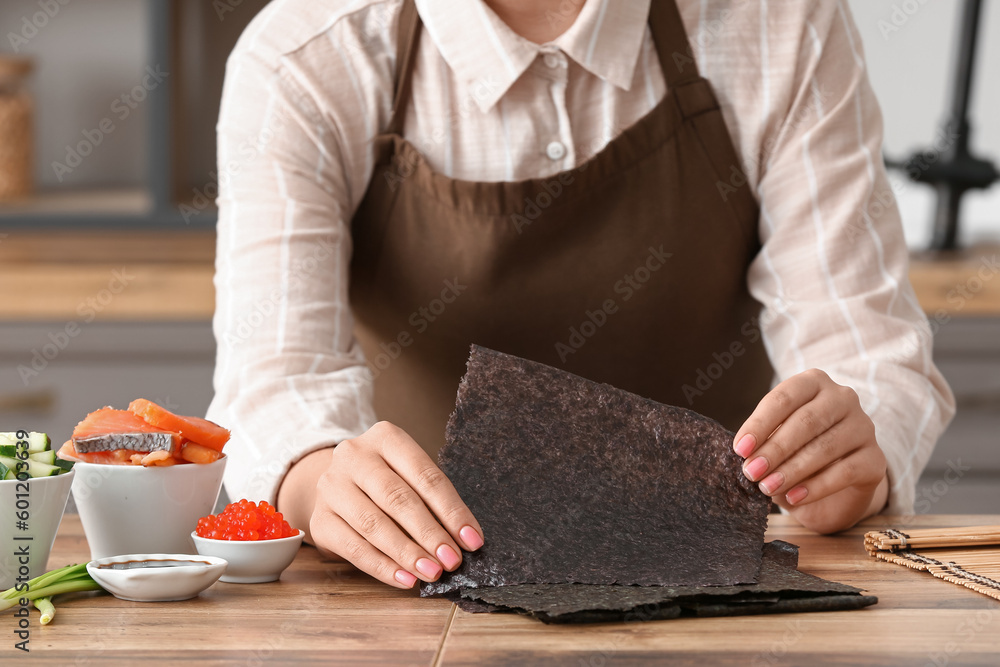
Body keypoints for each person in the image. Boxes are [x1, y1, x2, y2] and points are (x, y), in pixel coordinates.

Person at [208, 0, 955, 591]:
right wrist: (314, 477)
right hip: (424, 587)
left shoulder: (782, 23)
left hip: (727, 585)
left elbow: (867, 354)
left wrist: (857, 453)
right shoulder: (302, 58)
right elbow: (274, 384)